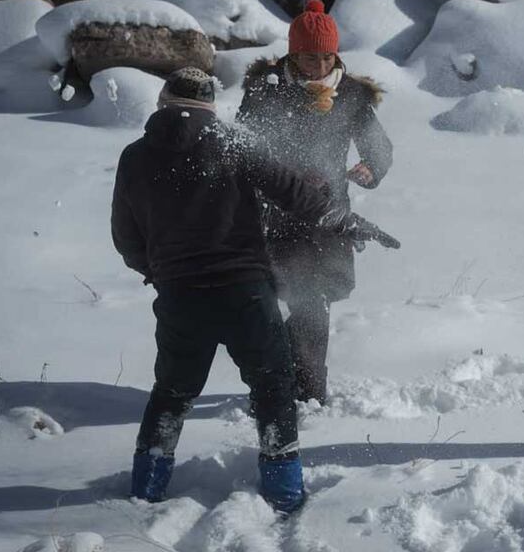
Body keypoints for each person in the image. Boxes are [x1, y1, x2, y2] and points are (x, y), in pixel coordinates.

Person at [111, 67, 350, 512]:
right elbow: (294, 192)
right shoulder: (233, 142)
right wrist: (345, 220)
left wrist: (162, 273)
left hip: (181, 296)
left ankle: (146, 488)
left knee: (172, 392)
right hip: (247, 292)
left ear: (164, 101)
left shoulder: (134, 156)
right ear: (210, 106)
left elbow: (125, 237)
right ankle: (284, 490)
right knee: (274, 385)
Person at [236, 0, 393, 406]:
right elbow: (243, 148)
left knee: (324, 292)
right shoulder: (266, 90)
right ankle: (299, 391)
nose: (317, 66)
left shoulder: (351, 95)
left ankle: (291, 381)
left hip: (331, 215)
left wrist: (371, 169)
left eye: (325, 57)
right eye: (307, 57)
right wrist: (279, 175)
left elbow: (380, 148)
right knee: (299, 298)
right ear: (293, 53)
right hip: (278, 213)